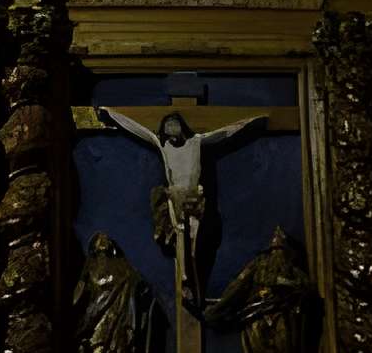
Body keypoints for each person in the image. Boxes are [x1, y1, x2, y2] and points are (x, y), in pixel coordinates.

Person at [95, 105, 265, 305]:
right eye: (167, 125)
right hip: (174, 199)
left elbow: (225, 132)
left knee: (194, 244)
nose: (170, 128)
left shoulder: (196, 142)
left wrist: (254, 123)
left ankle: (194, 284)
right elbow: (137, 129)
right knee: (181, 240)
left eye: (173, 124)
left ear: (181, 126)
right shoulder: (163, 145)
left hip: (194, 199)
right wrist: (111, 114)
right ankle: (185, 282)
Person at [203, 225, 319, 353]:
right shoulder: (260, 267)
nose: (277, 255)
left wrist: (285, 286)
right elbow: (235, 290)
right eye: (275, 251)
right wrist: (214, 312)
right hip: (257, 325)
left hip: (283, 326)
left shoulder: (291, 272)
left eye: (280, 251)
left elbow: (308, 290)